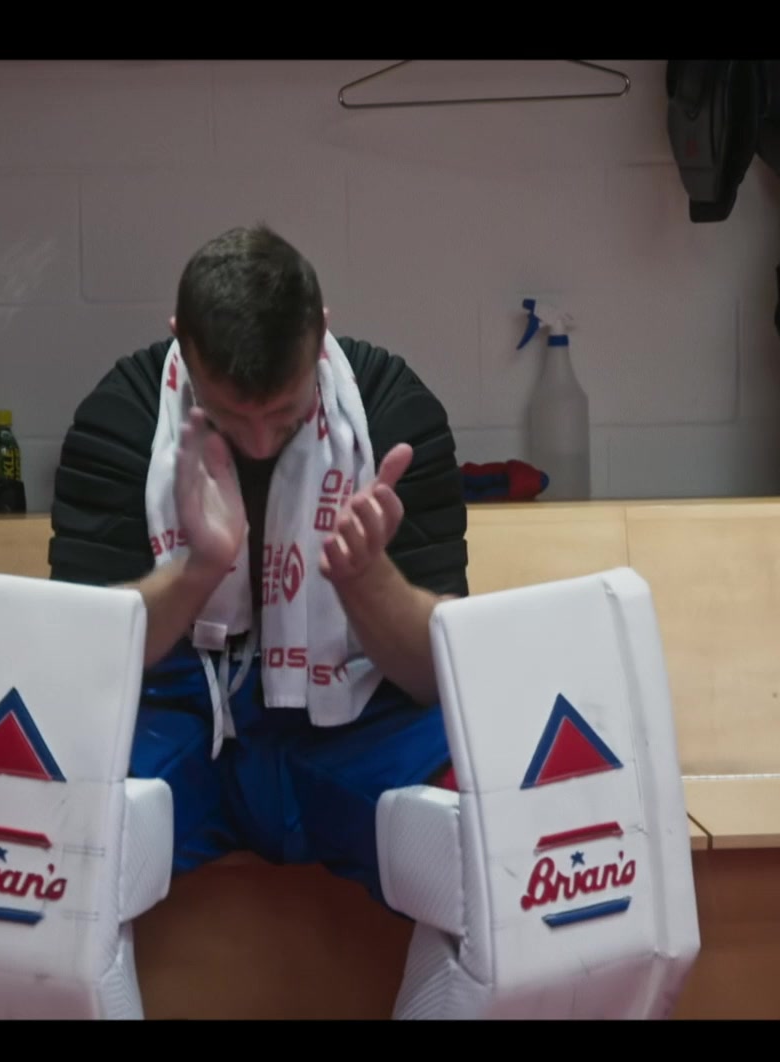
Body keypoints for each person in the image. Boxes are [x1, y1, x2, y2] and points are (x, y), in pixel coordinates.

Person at [48, 223, 468, 910]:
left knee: (499, 816)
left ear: (321, 332)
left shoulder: (392, 410)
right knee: (51, 826)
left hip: (357, 722)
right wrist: (197, 571)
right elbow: (77, 668)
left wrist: (367, 578)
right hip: (177, 715)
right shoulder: (121, 416)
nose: (261, 441)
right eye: (231, 416)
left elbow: (436, 678)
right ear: (181, 340)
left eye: (283, 412)